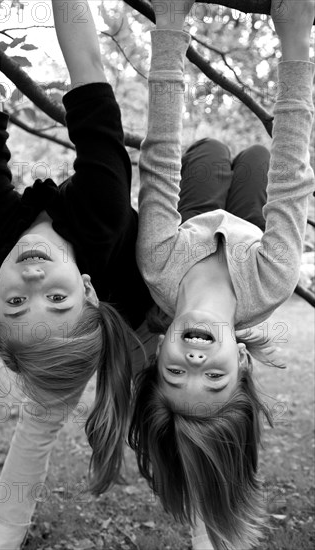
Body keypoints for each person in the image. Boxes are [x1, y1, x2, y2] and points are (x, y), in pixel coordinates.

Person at [0, 1, 158, 548]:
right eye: (57, 299)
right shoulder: (100, 210)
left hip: (79, 337)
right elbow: (89, 72)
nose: (32, 283)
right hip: (141, 323)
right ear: (85, 289)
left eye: (15, 304)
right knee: (171, 403)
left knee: (44, 407)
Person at [129, 0, 315, 549]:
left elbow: (159, 154)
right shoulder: (273, 280)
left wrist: (169, 22)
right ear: (242, 365)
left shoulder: (157, 264)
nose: (195, 364)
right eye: (214, 378)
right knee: (260, 155)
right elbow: (292, 173)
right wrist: (296, 45)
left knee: (207, 151)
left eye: (174, 376)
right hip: (253, 231)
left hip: (195, 216)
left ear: (157, 357)